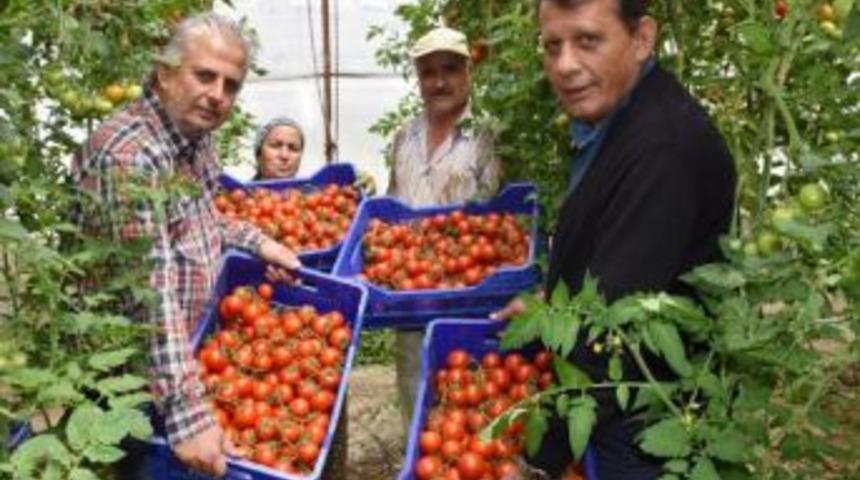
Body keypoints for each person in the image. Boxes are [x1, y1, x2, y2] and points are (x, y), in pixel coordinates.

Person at [492, 0, 737, 479]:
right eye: (552, 45)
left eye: (588, 41)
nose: (564, 65)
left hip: (645, 419)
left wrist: (537, 463)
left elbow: (610, 340)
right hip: (624, 405)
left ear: (642, 39)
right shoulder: (621, 119)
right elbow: (623, 258)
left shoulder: (664, 151)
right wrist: (549, 311)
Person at [72, 13, 301, 478]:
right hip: (130, 380)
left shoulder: (195, 141)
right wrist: (187, 416)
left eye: (231, 85)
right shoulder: (130, 157)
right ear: (164, 72)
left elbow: (201, 222)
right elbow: (148, 296)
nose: (218, 95)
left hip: (180, 359)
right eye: (205, 75)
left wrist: (260, 242)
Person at [387, 26, 502, 430]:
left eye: (450, 69)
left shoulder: (490, 136)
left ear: (469, 71)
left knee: (470, 411)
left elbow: (504, 226)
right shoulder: (404, 137)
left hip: (470, 303)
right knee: (417, 411)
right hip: (409, 301)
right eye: (428, 73)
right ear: (417, 80)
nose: (439, 82)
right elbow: (390, 212)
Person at [253, 116, 304, 180]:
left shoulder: (314, 189)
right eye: (275, 146)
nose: (284, 155)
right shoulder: (240, 189)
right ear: (259, 154)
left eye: (293, 148)